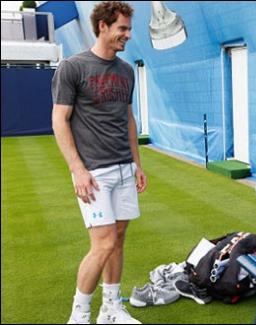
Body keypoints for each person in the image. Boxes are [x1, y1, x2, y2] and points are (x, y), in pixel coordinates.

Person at [51, 2, 146, 323]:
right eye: (123, 28)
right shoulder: (72, 67)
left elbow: (128, 119)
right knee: (103, 243)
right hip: (94, 174)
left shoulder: (126, 71)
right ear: (103, 27)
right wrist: (77, 169)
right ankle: (78, 316)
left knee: (118, 239)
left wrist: (137, 164)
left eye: (129, 29)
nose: (128, 35)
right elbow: (59, 120)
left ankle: (111, 309)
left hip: (124, 168)